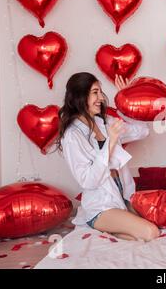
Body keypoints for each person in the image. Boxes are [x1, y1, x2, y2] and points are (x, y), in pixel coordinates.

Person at [56, 72, 160, 242]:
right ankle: (103, 226)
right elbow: (88, 181)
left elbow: (142, 131)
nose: (101, 98)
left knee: (156, 222)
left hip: (122, 195)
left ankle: (114, 232)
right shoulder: (72, 136)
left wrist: (127, 99)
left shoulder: (105, 121)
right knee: (151, 232)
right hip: (100, 206)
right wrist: (110, 143)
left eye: (100, 92)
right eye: (95, 92)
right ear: (80, 96)